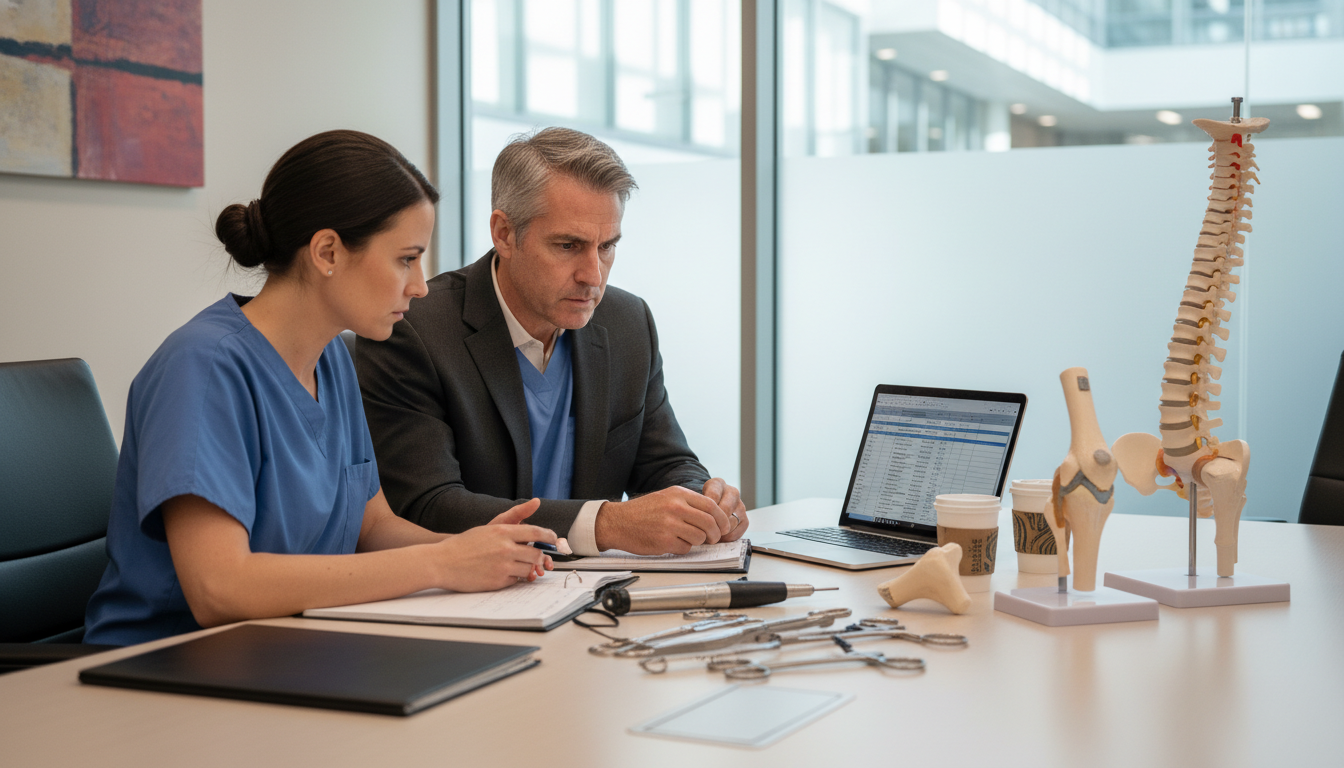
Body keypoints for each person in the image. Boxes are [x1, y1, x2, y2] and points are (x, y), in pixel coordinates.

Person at [84, 131, 555, 646]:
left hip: (289, 649)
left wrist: (479, 553)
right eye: (406, 258)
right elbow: (220, 588)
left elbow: (371, 528)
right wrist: (440, 562)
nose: (420, 286)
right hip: (166, 666)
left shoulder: (331, 358)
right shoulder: (203, 368)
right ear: (327, 251)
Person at [356, 127, 748, 557]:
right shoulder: (416, 331)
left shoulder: (627, 323)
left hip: (592, 593)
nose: (593, 276)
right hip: (472, 600)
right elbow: (428, 506)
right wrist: (602, 524)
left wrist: (704, 501)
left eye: (607, 247)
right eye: (568, 245)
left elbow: (666, 463)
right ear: (504, 233)